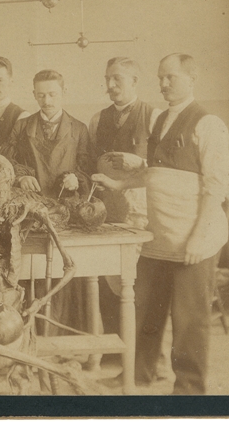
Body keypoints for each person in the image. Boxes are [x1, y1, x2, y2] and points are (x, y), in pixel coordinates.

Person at [93, 53, 229, 394]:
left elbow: (216, 186)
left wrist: (198, 238)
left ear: (192, 77)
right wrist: (121, 184)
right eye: (160, 77)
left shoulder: (208, 123)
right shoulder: (159, 121)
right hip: (160, 235)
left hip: (192, 237)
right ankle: (141, 373)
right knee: (145, 309)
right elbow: (153, 173)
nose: (163, 83)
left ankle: (189, 388)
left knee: (189, 319)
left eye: (170, 77)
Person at [0, 69, 93, 335]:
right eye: (41, 95)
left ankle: (63, 337)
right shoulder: (22, 126)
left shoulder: (79, 129)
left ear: (64, 93)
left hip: (66, 212)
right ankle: (32, 334)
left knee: (65, 275)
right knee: (33, 273)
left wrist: (77, 179)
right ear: (33, 95)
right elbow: (7, 162)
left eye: (52, 94)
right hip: (31, 212)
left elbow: (87, 169)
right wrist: (21, 177)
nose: (47, 101)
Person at [88, 57, 160, 338]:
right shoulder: (98, 120)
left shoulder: (153, 117)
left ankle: (142, 351)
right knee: (108, 278)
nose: (111, 84)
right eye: (107, 78)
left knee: (139, 281)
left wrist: (139, 162)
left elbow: (165, 167)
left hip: (141, 209)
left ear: (134, 81)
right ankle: (113, 348)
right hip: (109, 207)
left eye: (117, 78)